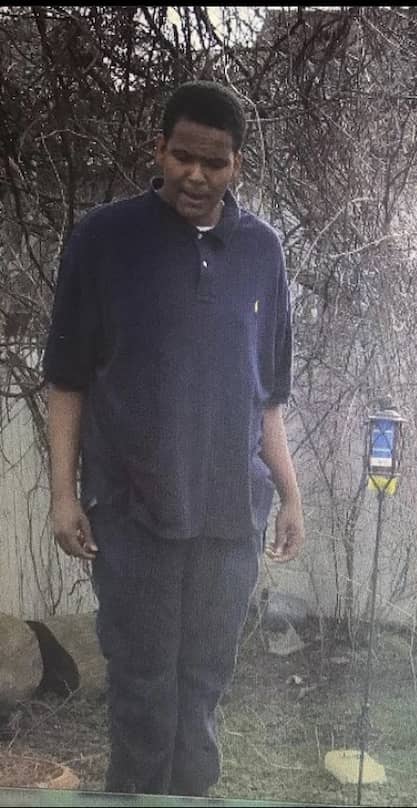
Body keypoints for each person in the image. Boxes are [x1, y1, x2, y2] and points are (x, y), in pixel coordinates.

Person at [43, 80, 305, 796]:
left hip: (229, 518)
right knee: (142, 694)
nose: (196, 175)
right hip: (132, 513)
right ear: (158, 150)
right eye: (182, 157)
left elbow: (269, 396)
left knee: (203, 693)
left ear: (236, 166)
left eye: (213, 162)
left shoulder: (262, 252)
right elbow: (67, 382)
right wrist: (64, 496)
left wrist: (289, 493)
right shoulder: (104, 239)